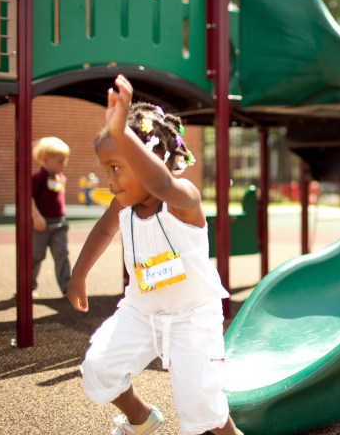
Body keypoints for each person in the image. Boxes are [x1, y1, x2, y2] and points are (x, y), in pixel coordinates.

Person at [66, 75, 242, 435]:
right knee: (99, 368)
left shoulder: (183, 201)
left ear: (155, 159)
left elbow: (161, 184)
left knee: (200, 409)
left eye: (116, 168)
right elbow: (102, 231)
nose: (110, 180)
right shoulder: (123, 205)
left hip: (192, 318)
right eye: (106, 170)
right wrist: (79, 274)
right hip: (142, 311)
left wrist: (121, 129)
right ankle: (141, 418)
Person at [31, 136, 71, 296]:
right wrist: (36, 217)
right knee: (35, 256)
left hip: (59, 224)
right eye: (60, 160)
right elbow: (28, 197)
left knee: (62, 254)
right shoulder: (37, 179)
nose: (64, 163)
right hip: (41, 224)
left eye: (65, 160)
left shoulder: (61, 178)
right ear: (45, 160)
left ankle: (67, 287)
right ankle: (28, 286)